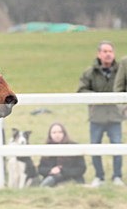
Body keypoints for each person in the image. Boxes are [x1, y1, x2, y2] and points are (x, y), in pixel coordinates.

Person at [77, 41, 123, 187]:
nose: (108, 54)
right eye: (105, 51)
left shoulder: (121, 71)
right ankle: (99, 177)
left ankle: (117, 176)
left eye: (110, 51)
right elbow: (81, 90)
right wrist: (98, 97)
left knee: (117, 146)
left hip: (115, 115)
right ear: (99, 54)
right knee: (95, 147)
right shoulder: (89, 73)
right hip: (97, 117)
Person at [38, 122, 86, 187]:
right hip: (53, 178)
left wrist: (63, 171)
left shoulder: (74, 146)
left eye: (60, 132)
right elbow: (41, 168)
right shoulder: (46, 148)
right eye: (54, 132)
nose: (57, 135)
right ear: (50, 134)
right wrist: (51, 170)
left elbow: (81, 168)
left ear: (64, 133)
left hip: (72, 178)